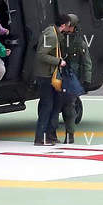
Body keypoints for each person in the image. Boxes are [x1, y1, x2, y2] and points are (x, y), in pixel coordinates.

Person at [34, 14, 76, 145]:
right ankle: (40, 137)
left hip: (47, 74)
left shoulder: (50, 31)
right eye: (67, 26)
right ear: (63, 25)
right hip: (46, 75)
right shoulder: (52, 36)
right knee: (47, 105)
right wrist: (58, 61)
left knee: (54, 104)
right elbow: (41, 54)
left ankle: (49, 134)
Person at [57, 15, 92, 143]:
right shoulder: (59, 38)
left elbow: (87, 62)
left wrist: (87, 80)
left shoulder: (79, 43)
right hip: (58, 74)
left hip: (71, 77)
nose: (68, 28)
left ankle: (69, 134)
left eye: (70, 26)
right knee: (54, 104)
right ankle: (51, 134)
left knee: (69, 106)